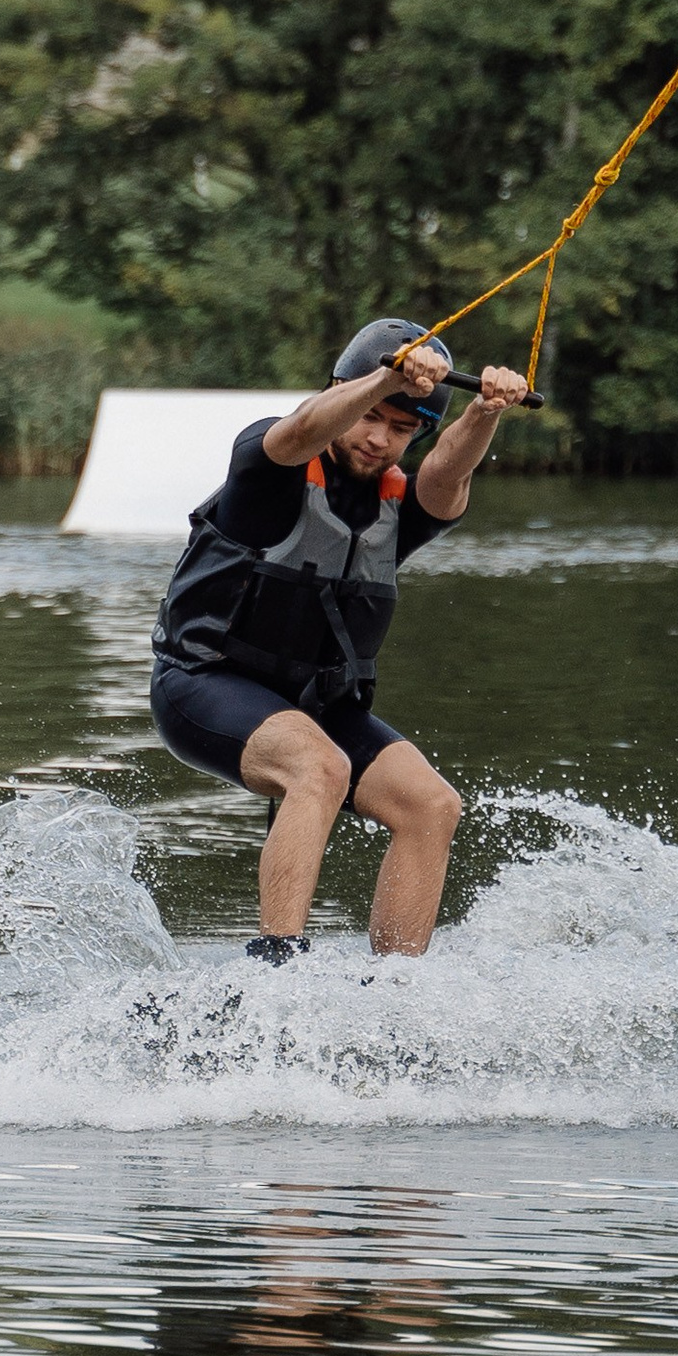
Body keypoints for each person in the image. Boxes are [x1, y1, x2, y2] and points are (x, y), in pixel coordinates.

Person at [149, 318, 530, 962]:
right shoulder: (268, 469)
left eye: (402, 429)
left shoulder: (398, 507)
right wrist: (389, 374)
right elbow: (300, 432)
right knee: (318, 766)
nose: (379, 439)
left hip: (319, 705)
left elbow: (444, 478)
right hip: (203, 684)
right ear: (344, 390)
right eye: (371, 417)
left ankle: (393, 999)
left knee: (431, 805)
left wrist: (486, 410)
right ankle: (276, 970)